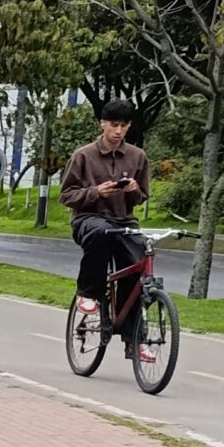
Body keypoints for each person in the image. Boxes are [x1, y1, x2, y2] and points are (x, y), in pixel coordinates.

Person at [61, 103, 153, 351]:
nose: (118, 131)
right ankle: (88, 292)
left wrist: (134, 191)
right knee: (101, 234)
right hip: (88, 218)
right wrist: (95, 192)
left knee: (138, 262)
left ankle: (134, 338)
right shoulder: (83, 155)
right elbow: (67, 195)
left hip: (123, 221)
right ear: (102, 123)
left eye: (124, 126)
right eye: (114, 125)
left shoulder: (137, 156)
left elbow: (143, 196)